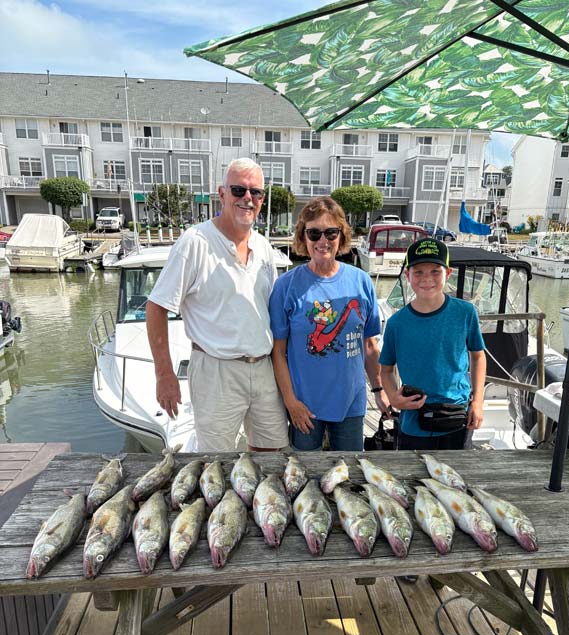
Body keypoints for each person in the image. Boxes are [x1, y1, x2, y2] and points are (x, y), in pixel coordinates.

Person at [145, 157, 289, 452]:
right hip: (216, 371)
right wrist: (164, 374)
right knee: (216, 464)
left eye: (256, 192)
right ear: (222, 194)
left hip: (263, 368)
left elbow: (271, 310)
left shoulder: (263, 246)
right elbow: (157, 307)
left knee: (271, 454)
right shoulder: (194, 242)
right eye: (239, 190)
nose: (247, 198)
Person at [269, 196, 389, 451]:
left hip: (351, 405)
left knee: (348, 476)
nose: (322, 241)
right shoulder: (285, 286)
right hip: (305, 407)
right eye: (314, 233)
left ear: (341, 236)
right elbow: (278, 353)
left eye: (331, 233)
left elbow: (369, 346)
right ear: (303, 237)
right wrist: (291, 403)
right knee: (305, 477)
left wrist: (379, 389)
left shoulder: (362, 282)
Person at [379, 237, 486, 450]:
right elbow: (386, 370)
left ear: (448, 274)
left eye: (435, 271)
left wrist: (478, 401)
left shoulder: (466, 312)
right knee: (414, 478)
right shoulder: (396, 323)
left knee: (456, 477)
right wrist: (393, 397)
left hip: (456, 417)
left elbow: (477, 355)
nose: (426, 278)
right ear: (407, 275)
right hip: (414, 419)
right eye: (418, 272)